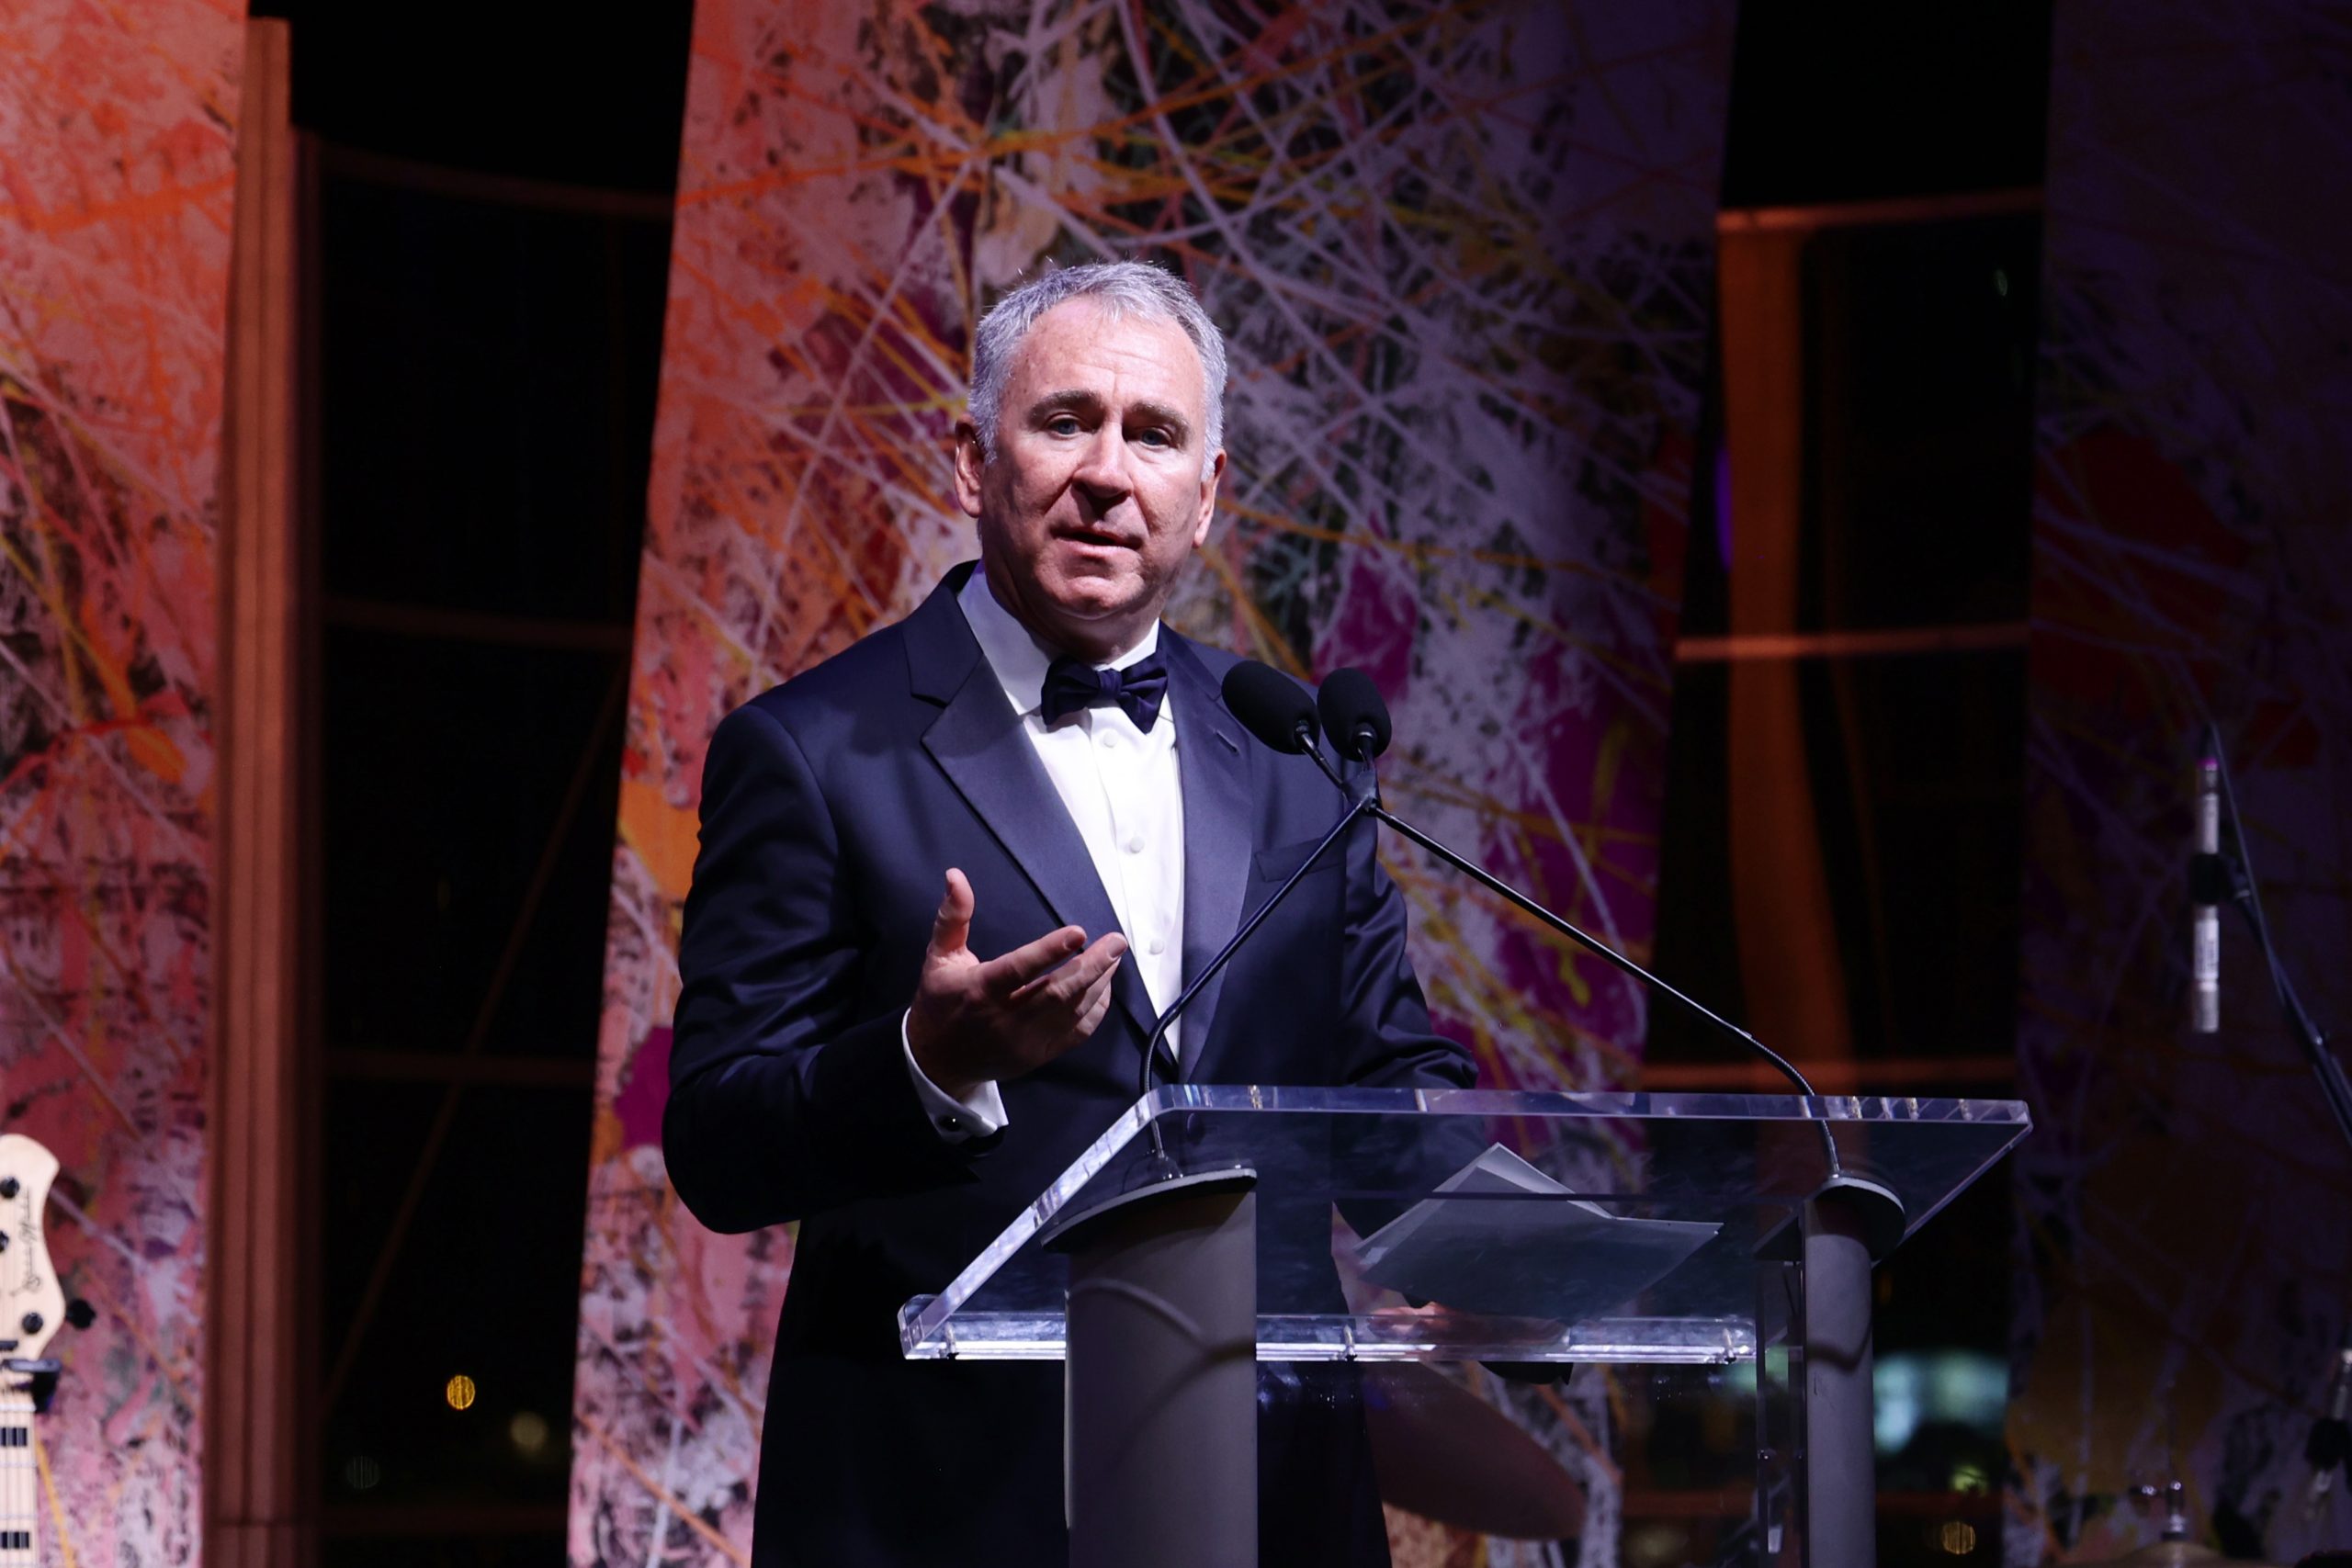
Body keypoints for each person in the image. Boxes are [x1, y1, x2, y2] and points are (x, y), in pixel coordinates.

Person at [662, 260, 1476, 1567]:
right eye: (1065, 423)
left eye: (1153, 435)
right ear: (975, 464)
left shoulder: (1300, 755)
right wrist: (928, 1066)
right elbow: (714, 1141)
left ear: (1204, 499)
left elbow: (1384, 1089)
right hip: (950, 1504)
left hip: (1276, 1504)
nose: (1108, 471)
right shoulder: (811, 750)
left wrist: (1527, 1247)